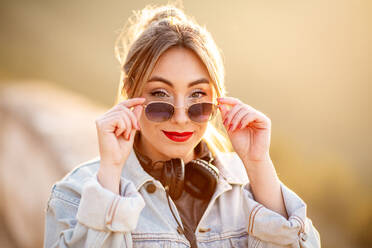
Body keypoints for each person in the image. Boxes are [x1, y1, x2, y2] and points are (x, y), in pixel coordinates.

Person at [44, 4, 321, 248]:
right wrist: (110, 179)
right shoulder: (75, 194)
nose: (180, 117)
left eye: (198, 96)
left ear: (217, 97)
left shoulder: (251, 183)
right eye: (160, 95)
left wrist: (258, 163)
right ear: (130, 92)